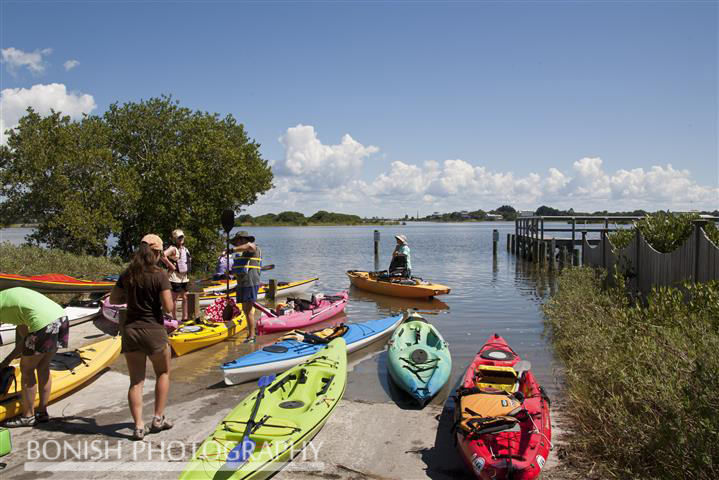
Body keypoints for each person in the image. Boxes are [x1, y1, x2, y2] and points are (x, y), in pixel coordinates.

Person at [109, 234, 174, 441]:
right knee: (163, 372)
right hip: (153, 329)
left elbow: (114, 299)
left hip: (131, 331)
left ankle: (138, 426)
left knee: (136, 381)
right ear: (156, 253)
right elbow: (169, 307)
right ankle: (157, 418)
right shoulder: (160, 275)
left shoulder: (127, 274)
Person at [0, 287, 69, 427]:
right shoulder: (10, 302)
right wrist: (7, 360)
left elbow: (29, 337)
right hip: (61, 318)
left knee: (26, 370)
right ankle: (42, 413)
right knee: (43, 367)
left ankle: (27, 417)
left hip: (43, 323)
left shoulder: (4, 305)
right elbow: (25, 337)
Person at [228, 231, 262, 343]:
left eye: (238, 241)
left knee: (248, 310)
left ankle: (252, 336)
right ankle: (250, 332)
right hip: (242, 283)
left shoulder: (253, 247)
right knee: (245, 310)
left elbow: (249, 246)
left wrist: (232, 250)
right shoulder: (242, 253)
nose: (236, 243)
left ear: (243, 240)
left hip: (250, 283)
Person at [163, 229, 191, 322]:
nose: (181, 239)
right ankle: (174, 319)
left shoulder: (185, 249)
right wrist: (170, 265)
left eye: (182, 237)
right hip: (175, 278)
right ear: (175, 239)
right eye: (179, 237)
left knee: (186, 297)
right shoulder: (173, 248)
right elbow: (163, 255)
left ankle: (185, 318)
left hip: (184, 278)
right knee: (175, 299)